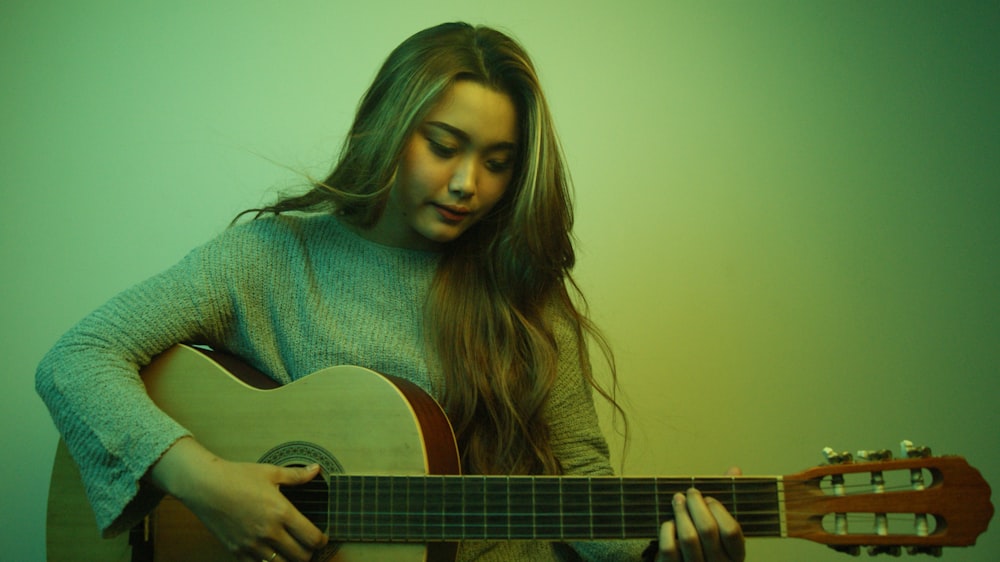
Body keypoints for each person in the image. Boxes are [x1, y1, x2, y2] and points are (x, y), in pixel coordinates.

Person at [36, 22, 745, 562]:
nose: (469, 184)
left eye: (497, 162)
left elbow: (581, 482)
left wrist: (665, 551)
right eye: (444, 145)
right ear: (391, 127)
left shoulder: (523, 286)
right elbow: (77, 360)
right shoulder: (267, 260)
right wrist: (209, 485)